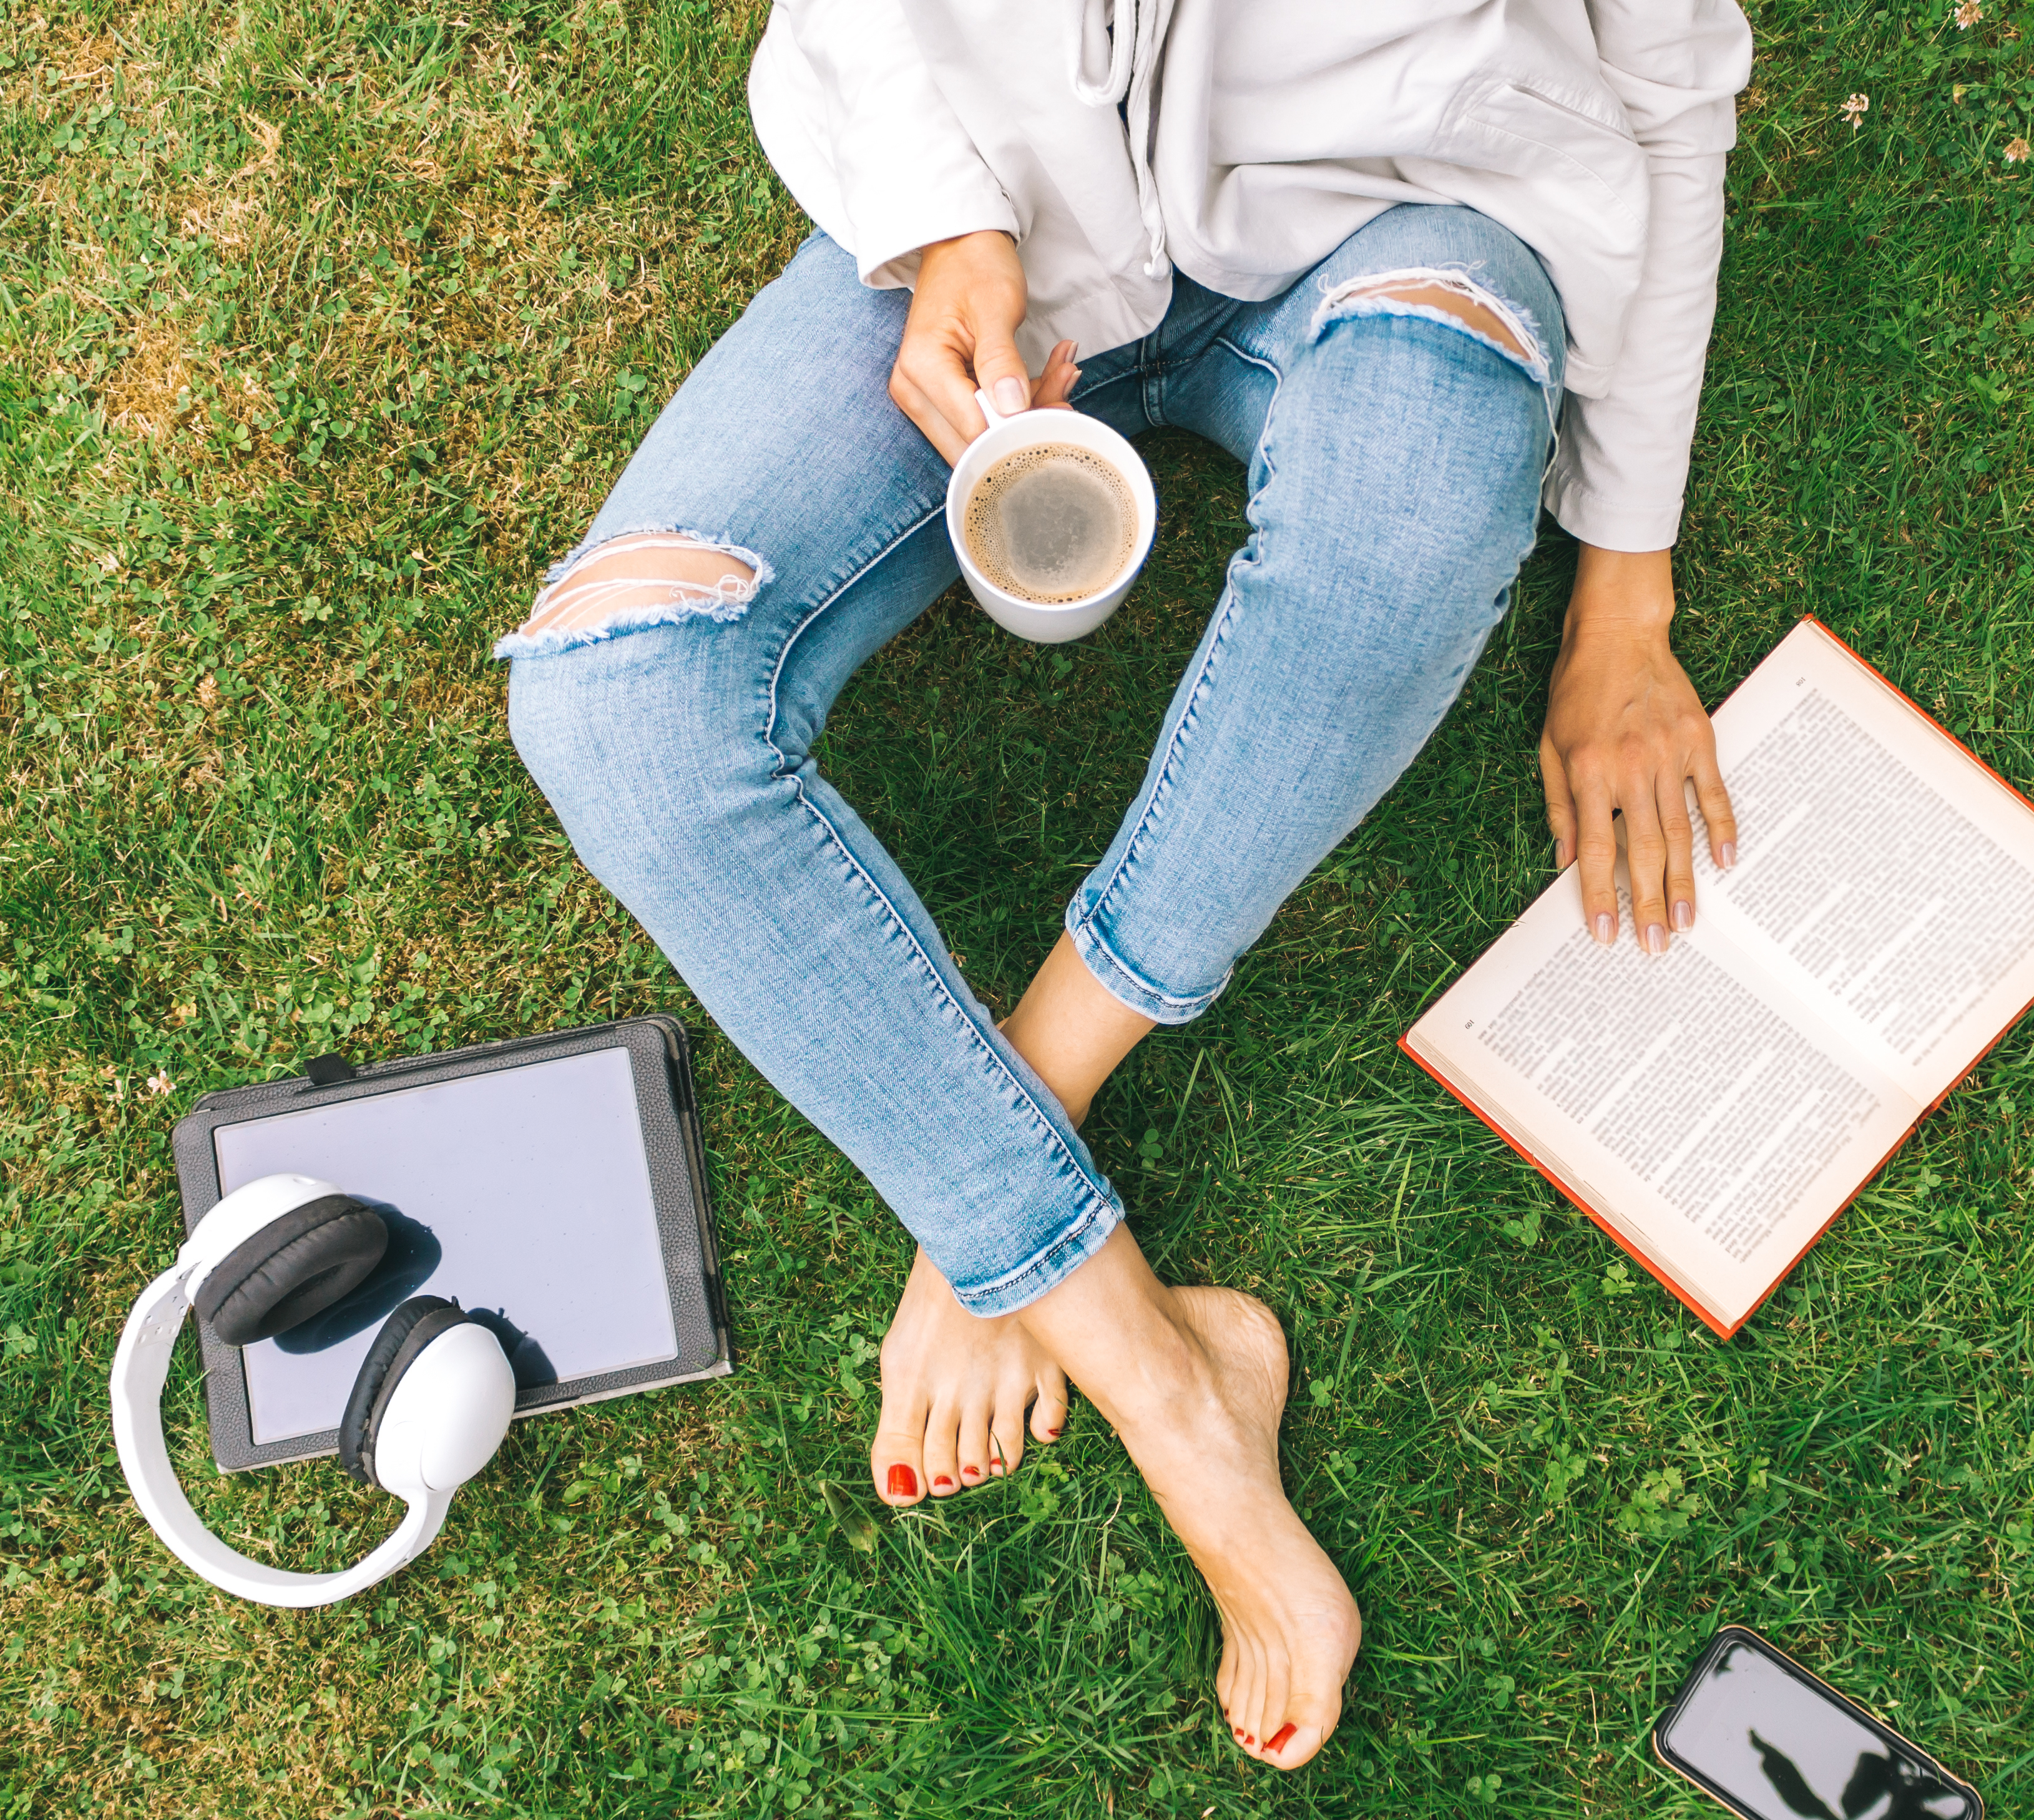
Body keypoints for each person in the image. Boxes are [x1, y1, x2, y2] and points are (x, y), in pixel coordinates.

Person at [504, 0, 1751, 1771]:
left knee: (1404, 529)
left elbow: (1675, 86)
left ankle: (1020, 1123)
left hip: (1404, 223)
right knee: (611, 691)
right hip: (989, 228)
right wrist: (948, 218)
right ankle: (1166, 1383)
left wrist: (1627, 595)